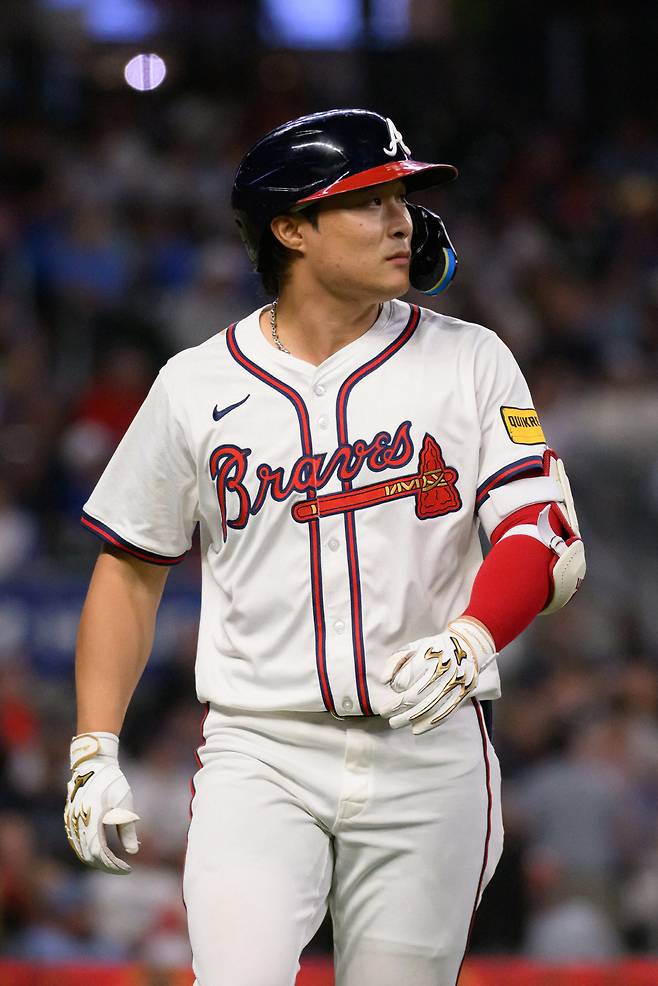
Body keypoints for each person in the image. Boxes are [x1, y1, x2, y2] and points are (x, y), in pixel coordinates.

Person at [64, 109, 586, 986]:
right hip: (260, 750)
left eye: (403, 198)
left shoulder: (471, 360)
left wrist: (474, 636)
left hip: (427, 749)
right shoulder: (197, 384)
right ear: (290, 227)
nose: (401, 220)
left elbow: (545, 536)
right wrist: (92, 748)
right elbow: (130, 570)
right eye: (368, 200)